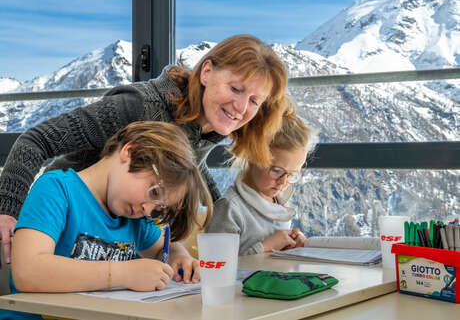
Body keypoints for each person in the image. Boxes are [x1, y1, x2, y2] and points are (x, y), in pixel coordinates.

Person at [0, 34, 289, 266]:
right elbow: (36, 140)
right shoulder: (137, 106)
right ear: (207, 72)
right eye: (236, 89)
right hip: (60, 231)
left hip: (113, 239)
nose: (242, 108)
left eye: (254, 101)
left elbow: (194, 171)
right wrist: (7, 213)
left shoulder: (202, 126)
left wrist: (230, 218)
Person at [0, 121, 213, 320]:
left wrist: (179, 256)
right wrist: (122, 274)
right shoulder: (57, 190)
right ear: (129, 152)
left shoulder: (136, 216)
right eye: (154, 192)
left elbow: (166, 247)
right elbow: (27, 271)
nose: (148, 209)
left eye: (158, 208)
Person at [205, 103, 317, 255]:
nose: (284, 182)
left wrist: (294, 243)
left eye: (292, 175)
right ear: (252, 156)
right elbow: (216, 263)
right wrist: (264, 247)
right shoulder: (229, 209)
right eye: (277, 171)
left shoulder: (280, 201)